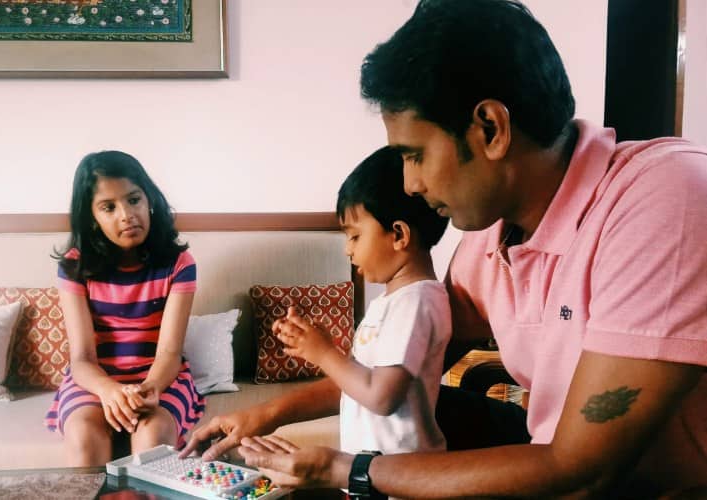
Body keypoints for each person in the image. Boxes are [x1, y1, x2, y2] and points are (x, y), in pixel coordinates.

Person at [191, 0, 707, 497]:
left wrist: (349, 470)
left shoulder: (664, 196)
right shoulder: (487, 235)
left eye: (413, 155)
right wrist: (264, 414)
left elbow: (581, 471)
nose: (410, 185)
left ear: (490, 128)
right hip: (556, 457)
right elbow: (400, 368)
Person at [274, 146, 451, 458]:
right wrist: (317, 343)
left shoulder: (416, 302)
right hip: (376, 472)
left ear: (398, 234)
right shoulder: (394, 300)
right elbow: (365, 379)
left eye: (354, 236)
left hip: (402, 478)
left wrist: (324, 353)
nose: (348, 250)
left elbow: (382, 397)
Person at [45, 151, 205, 467]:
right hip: (95, 377)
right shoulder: (74, 267)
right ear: (91, 217)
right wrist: (109, 391)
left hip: (158, 376)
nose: (126, 215)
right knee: (84, 436)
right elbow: (82, 359)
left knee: (152, 434)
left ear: (149, 200)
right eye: (109, 207)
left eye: (133, 200)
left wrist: (149, 389)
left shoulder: (179, 264)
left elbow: (169, 354)